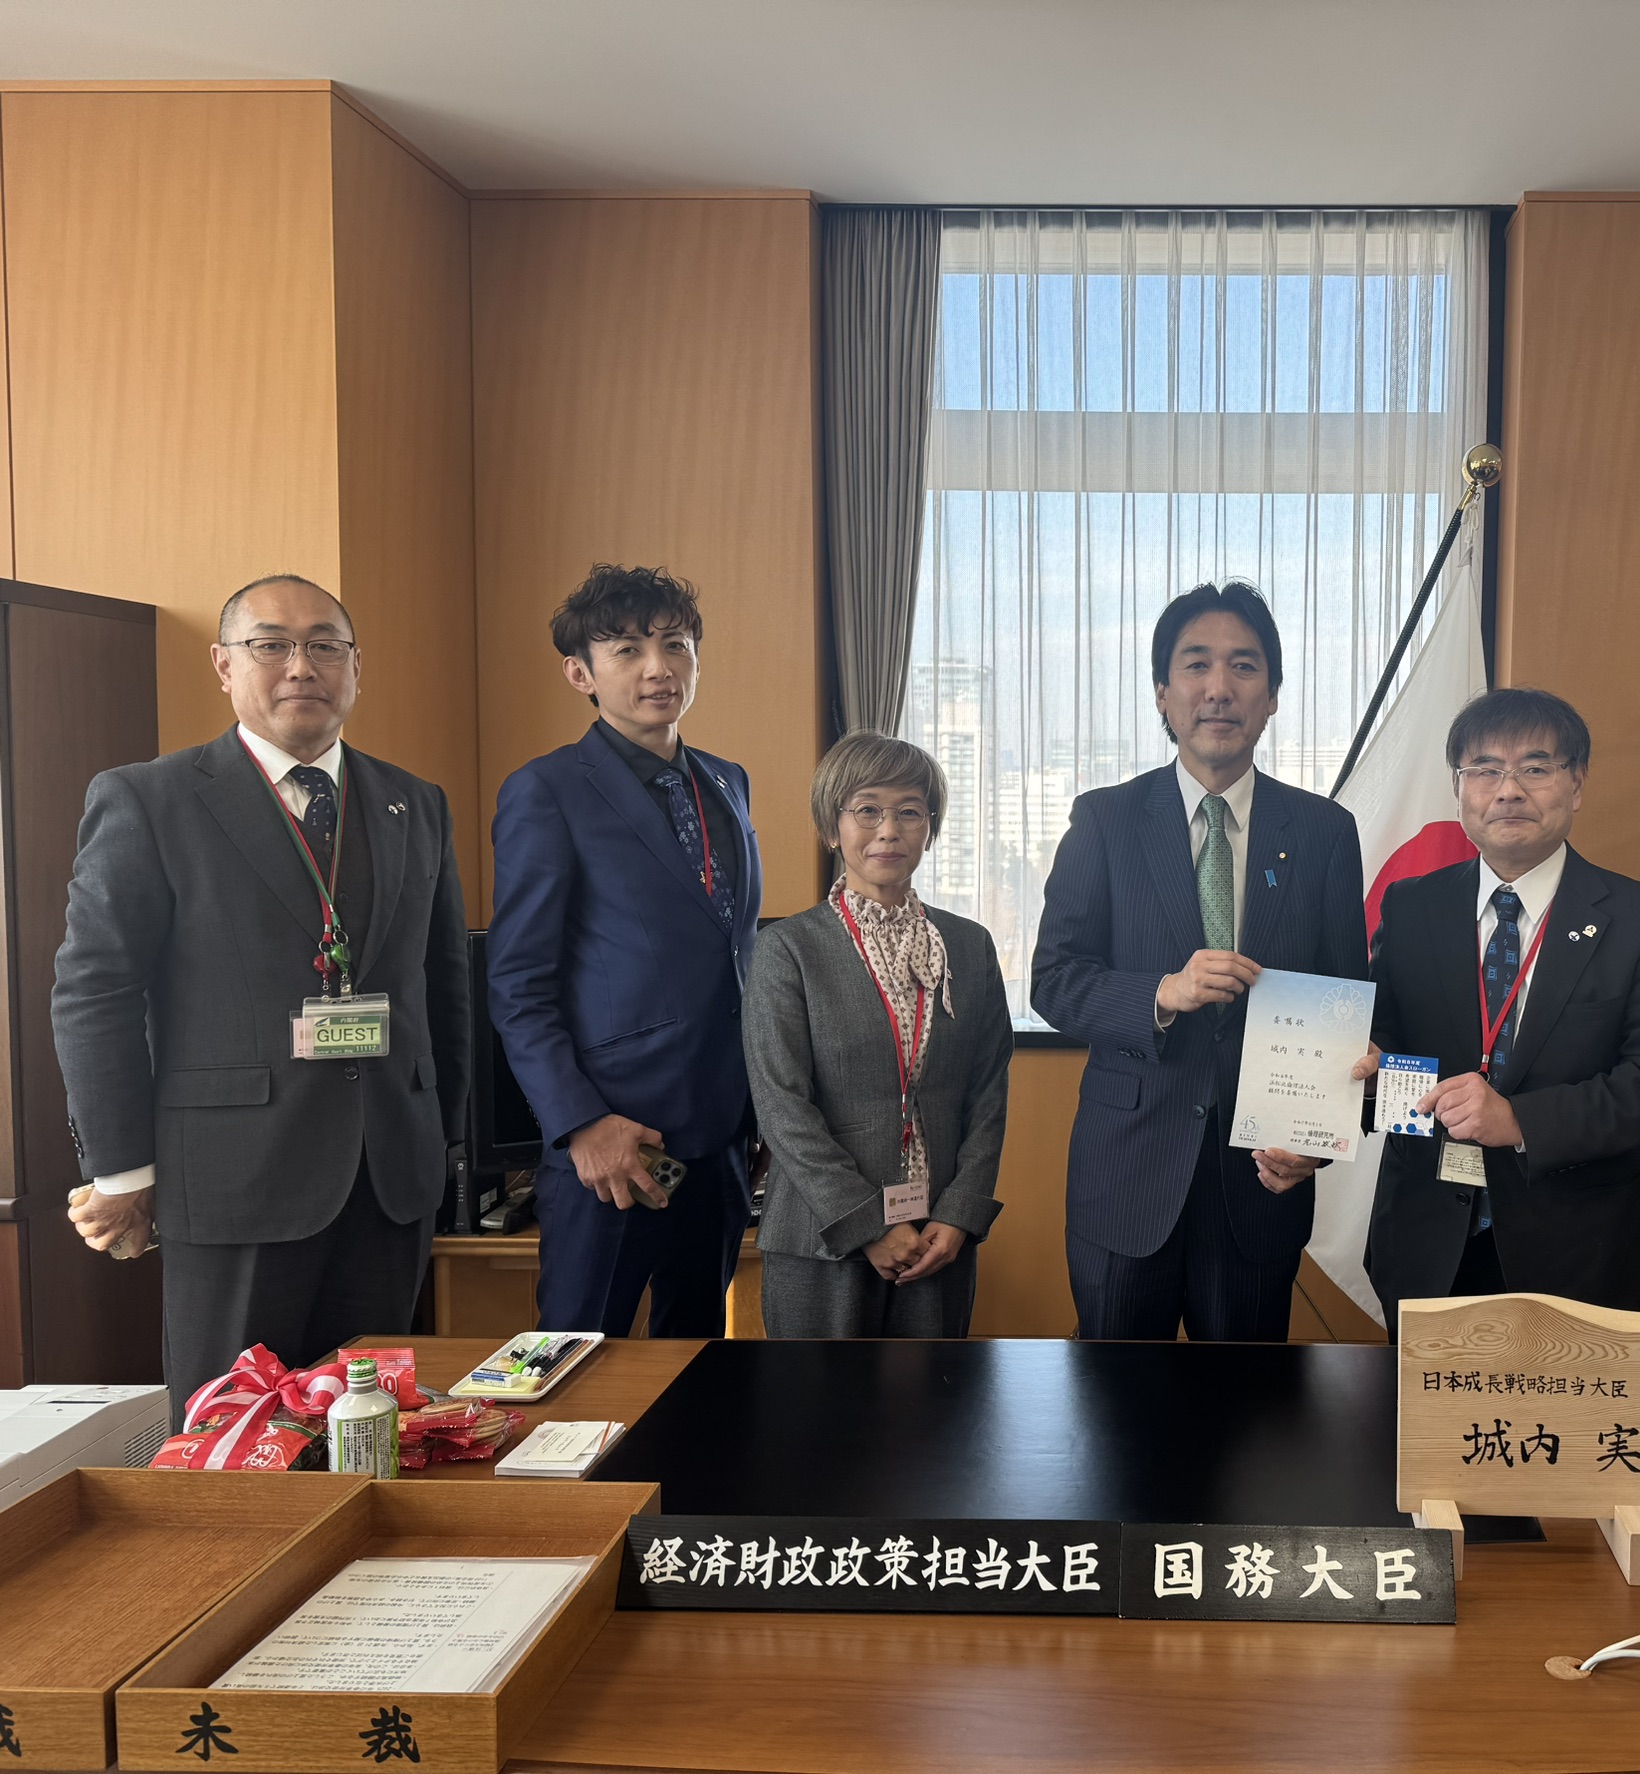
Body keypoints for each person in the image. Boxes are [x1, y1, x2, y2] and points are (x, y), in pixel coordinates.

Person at [55, 575, 469, 1419]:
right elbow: (95, 991)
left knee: (373, 1438)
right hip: (231, 1180)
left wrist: (444, 1138)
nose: (300, 666)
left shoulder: (413, 803)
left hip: (388, 1179)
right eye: (271, 644)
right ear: (224, 664)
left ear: (355, 666)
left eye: (324, 646)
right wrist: (122, 1169)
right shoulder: (150, 799)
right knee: (234, 1441)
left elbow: (445, 984)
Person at [1033, 581, 1365, 1342]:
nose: (1219, 687)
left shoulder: (1323, 831)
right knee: (1115, 1404)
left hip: (1260, 1181)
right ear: (1163, 692)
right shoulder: (1106, 818)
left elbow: (1342, 1000)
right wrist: (1162, 992)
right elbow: (1054, 980)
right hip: (1126, 1177)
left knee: (1245, 1408)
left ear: (1272, 696)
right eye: (1196, 664)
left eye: (1244, 666)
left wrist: (1314, 1142)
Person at [1354, 687, 1640, 1330]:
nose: (1508, 790)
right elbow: (1384, 1047)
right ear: (1458, 788)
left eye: (1535, 768)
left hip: (1579, 1252)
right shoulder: (1411, 907)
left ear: (1577, 784)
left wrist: (1520, 1120)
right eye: (1485, 769)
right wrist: (1362, 1080)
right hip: (1425, 1242)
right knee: (1428, 1403)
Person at [487, 565, 762, 1337]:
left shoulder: (728, 781)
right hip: (611, 1142)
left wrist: (760, 1110)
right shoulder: (547, 790)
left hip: (723, 1138)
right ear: (581, 673)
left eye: (675, 645)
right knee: (575, 1363)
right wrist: (580, 1125)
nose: (658, 668)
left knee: (698, 1362)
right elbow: (518, 986)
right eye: (628, 650)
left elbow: (733, 956)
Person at [745, 733, 1011, 1336]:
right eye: (867, 810)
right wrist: (869, 1225)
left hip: (937, 1239)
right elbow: (781, 1107)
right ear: (831, 827)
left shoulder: (969, 946)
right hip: (821, 1238)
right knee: (815, 1398)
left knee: (932, 1397)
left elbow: (987, 1094)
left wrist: (961, 1213)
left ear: (930, 828)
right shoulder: (788, 948)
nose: (888, 830)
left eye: (909, 812)